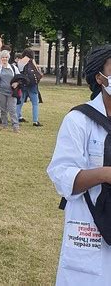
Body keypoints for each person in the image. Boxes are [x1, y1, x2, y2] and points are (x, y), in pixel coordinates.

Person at [47, 45, 111, 285]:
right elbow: (62, 177)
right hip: (89, 224)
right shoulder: (78, 121)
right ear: (100, 78)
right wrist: (105, 174)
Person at [0, 50, 20, 132]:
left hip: (12, 92)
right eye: (3, 57)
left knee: (12, 109)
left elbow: (19, 78)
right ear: (0, 58)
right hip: (1, 92)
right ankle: (4, 124)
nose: (4, 59)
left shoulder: (14, 68)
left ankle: (15, 126)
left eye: (6, 57)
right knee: (3, 109)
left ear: (8, 58)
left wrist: (16, 83)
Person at [16, 48, 43, 127]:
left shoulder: (19, 61)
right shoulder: (31, 60)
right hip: (32, 85)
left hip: (23, 83)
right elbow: (36, 71)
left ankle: (16, 118)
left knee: (20, 102)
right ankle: (35, 121)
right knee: (35, 103)